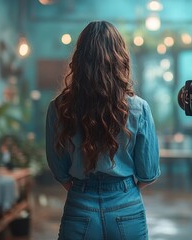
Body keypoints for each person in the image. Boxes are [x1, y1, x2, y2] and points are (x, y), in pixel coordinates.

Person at [45, 21, 160, 240]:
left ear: (79, 58)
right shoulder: (139, 108)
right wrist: (122, 189)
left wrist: (84, 188)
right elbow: (148, 173)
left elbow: (59, 170)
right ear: (120, 58)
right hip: (127, 207)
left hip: (79, 205)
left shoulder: (59, 107)